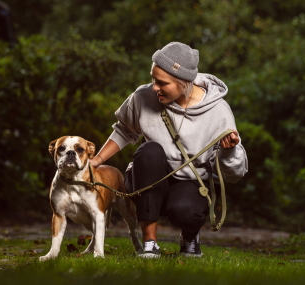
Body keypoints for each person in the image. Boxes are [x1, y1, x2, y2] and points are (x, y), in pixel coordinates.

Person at [89, 42, 248, 258]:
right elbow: (125, 130)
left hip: (190, 182)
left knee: (186, 211)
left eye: (162, 83)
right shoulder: (143, 97)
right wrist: (97, 159)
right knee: (149, 150)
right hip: (148, 179)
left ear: (184, 83)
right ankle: (150, 243)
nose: (154, 87)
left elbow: (235, 175)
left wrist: (228, 151)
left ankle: (190, 236)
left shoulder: (219, 112)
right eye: (153, 79)